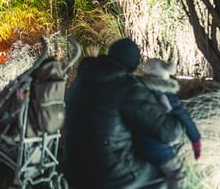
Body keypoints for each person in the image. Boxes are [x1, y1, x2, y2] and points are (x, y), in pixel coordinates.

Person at [62, 37, 185, 189]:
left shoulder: (81, 80)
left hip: (74, 168)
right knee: (164, 176)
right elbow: (170, 132)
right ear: (134, 65)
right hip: (110, 173)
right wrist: (172, 111)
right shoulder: (128, 87)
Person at [137, 58, 203, 189]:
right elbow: (184, 117)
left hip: (137, 144)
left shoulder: (137, 91)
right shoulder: (166, 95)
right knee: (177, 174)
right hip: (158, 147)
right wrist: (196, 140)